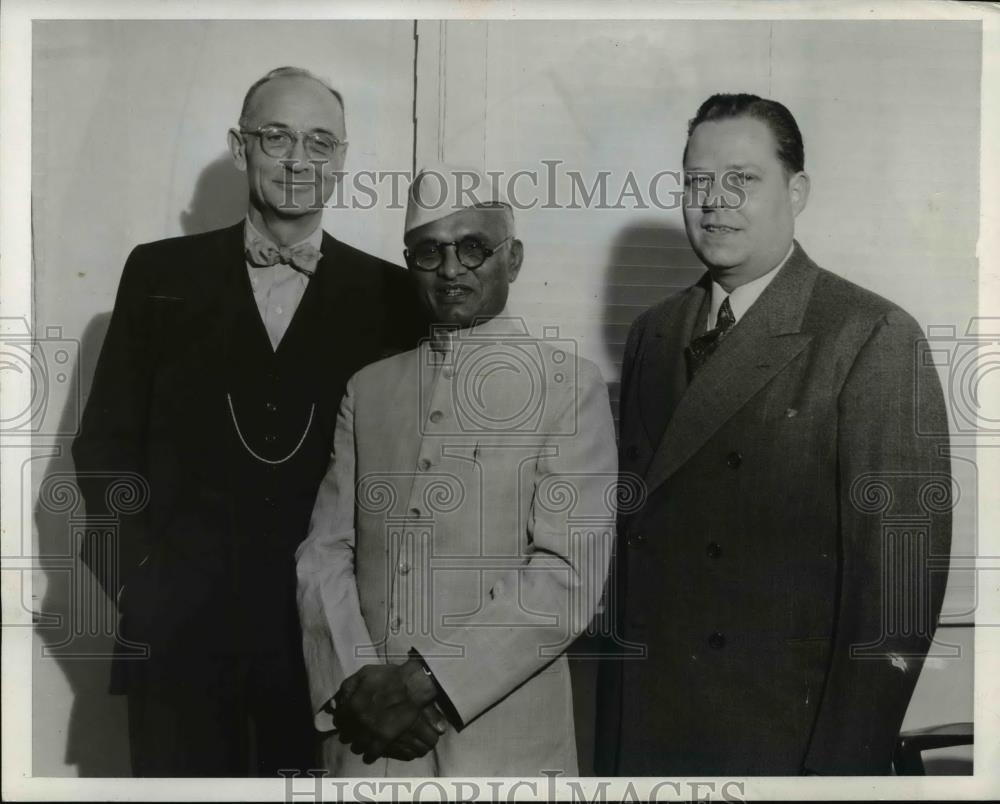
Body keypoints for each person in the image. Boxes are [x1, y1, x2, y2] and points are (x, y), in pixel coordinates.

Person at [71, 66, 423, 777]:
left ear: (343, 158)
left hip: (323, 650)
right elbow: (104, 445)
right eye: (277, 137)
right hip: (178, 646)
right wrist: (142, 582)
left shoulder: (392, 293)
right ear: (240, 148)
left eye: (320, 142)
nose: (298, 160)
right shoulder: (158, 273)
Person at [595, 93, 952, 775]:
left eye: (743, 179)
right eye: (698, 181)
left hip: (779, 741)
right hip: (649, 727)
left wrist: (837, 776)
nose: (714, 202)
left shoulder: (870, 335)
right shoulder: (655, 331)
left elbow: (899, 593)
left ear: (798, 191)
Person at [296, 165, 618, 776]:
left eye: (473, 248)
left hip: (502, 743)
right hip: (367, 742)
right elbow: (324, 552)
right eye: (429, 252)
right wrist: (356, 685)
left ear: (513, 258)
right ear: (408, 261)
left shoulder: (567, 386)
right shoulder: (369, 388)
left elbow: (566, 577)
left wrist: (421, 683)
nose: (450, 271)